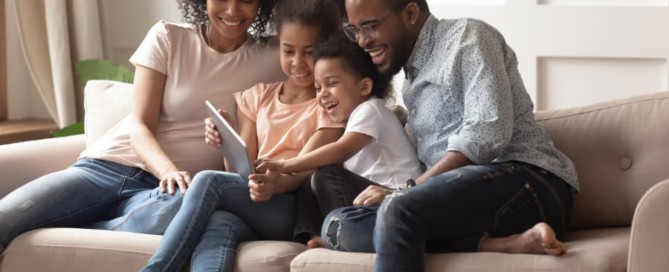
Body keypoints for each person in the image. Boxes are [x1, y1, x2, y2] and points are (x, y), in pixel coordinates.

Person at [0, 0, 284, 254]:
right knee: (7, 217)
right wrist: (167, 171)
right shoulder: (168, 37)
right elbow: (140, 125)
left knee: (182, 207)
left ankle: (83, 228)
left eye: (246, 0)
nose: (232, 10)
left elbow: (321, 44)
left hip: (167, 195)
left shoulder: (277, 55)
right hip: (106, 168)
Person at [326, 0, 581, 271]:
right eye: (355, 30)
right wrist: (405, 195)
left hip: (528, 183)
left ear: (410, 13)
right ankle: (502, 243)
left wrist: (405, 193)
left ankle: (408, 216)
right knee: (336, 225)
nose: (362, 41)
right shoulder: (412, 78)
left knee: (397, 210)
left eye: (370, 26)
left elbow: (486, 134)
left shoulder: (468, 37)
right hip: (463, 196)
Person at [141, 1, 343, 271]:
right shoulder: (257, 97)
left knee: (208, 180)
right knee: (218, 224)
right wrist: (227, 142)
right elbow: (237, 169)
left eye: (309, 52)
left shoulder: (329, 106)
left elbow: (303, 168)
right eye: (288, 51)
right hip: (255, 199)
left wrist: (275, 184)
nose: (298, 63)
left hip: (292, 208)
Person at [258, 31, 423, 250]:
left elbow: (341, 150)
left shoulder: (371, 109)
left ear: (364, 87)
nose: (322, 94)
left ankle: (343, 229)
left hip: (393, 199)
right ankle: (316, 234)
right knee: (312, 179)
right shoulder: (352, 121)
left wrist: (285, 164)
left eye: (331, 83)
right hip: (370, 199)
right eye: (318, 87)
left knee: (326, 172)